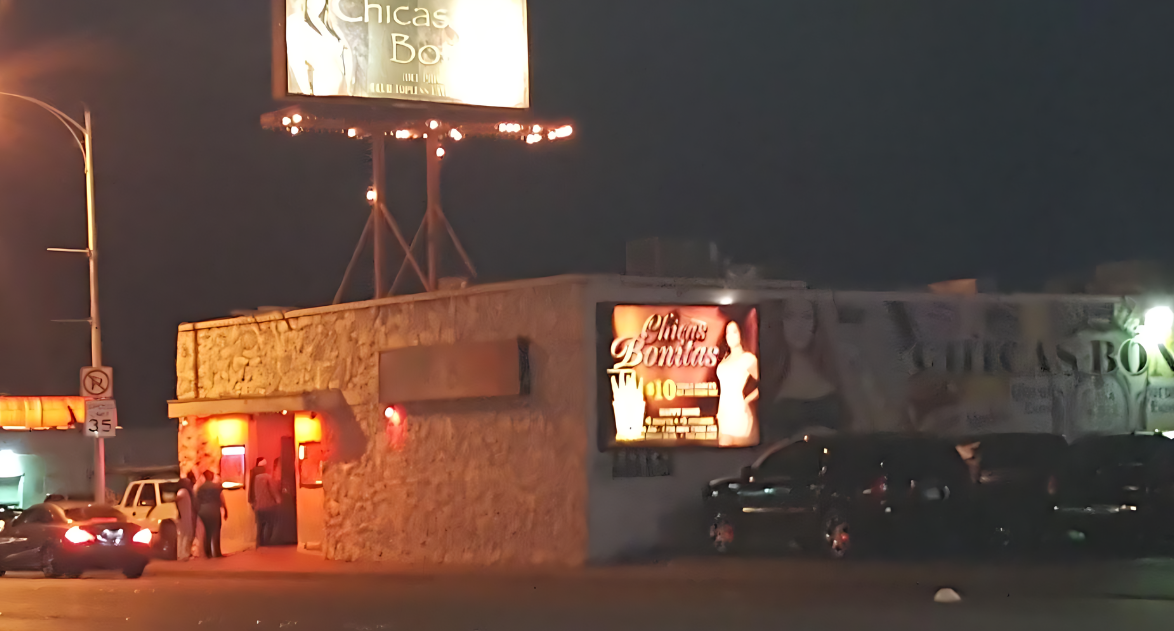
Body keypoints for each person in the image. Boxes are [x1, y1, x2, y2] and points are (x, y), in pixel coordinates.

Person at [286, 0, 354, 96]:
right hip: (321, 100)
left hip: (340, 98)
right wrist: (309, 99)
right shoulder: (295, 23)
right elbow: (298, 68)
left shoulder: (330, 26)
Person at [717, 320, 760, 447]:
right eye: (728, 332)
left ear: (741, 334)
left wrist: (747, 400)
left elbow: (766, 384)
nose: (730, 336)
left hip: (739, 414)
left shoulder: (747, 358)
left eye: (734, 332)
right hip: (723, 414)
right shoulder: (725, 359)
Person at [196, 470, 227, 558]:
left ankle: (208, 553)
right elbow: (221, 498)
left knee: (207, 532)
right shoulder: (216, 487)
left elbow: (197, 501)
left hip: (203, 512)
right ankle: (217, 553)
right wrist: (225, 510)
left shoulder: (200, 488)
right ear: (211, 476)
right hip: (214, 510)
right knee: (216, 531)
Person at [252, 461, 280, 547]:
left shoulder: (255, 478)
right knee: (269, 524)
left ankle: (259, 542)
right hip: (268, 505)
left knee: (260, 525)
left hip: (258, 506)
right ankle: (266, 542)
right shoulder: (268, 478)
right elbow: (273, 489)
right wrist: (278, 499)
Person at [176, 473, 196, 560]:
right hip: (184, 517)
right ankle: (184, 554)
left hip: (184, 516)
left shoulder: (183, 492)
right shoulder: (183, 492)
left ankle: (181, 554)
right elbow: (177, 500)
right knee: (185, 535)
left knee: (183, 535)